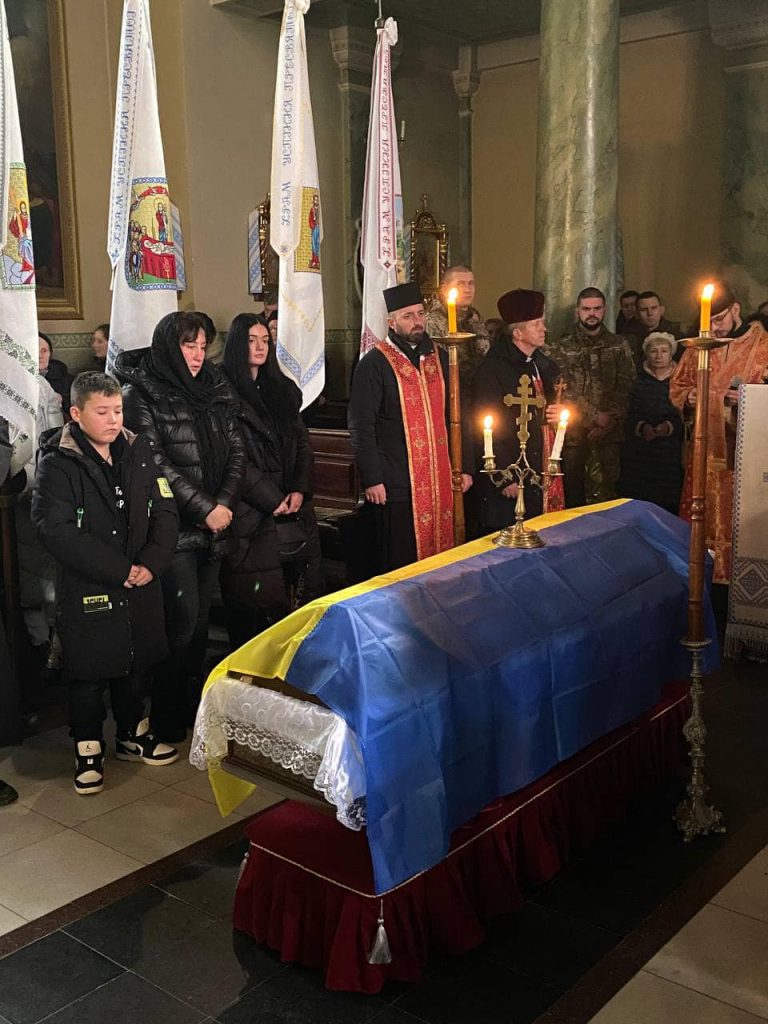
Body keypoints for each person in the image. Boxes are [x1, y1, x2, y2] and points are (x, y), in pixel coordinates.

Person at [32, 372, 180, 794]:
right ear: (76, 414)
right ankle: (87, 748)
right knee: (89, 671)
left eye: (117, 410)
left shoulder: (138, 451)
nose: (114, 420)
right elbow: (54, 528)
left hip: (141, 576)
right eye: (102, 412)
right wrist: (119, 570)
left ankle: (133, 734)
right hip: (91, 581)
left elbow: (165, 509)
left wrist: (152, 562)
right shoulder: (59, 462)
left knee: (137, 660)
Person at [115, 311, 246, 740]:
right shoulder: (140, 393)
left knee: (200, 622)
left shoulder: (214, 385)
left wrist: (222, 504)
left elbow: (236, 448)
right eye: (189, 345)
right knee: (180, 622)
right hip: (171, 529)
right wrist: (204, 508)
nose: (197, 355)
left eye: (202, 346)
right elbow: (154, 462)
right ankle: (164, 714)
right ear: (170, 347)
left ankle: (192, 707)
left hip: (214, 524)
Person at [348, 281, 471, 573]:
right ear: (391, 322)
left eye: (420, 313)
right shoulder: (374, 364)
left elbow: (458, 416)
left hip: (441, 476)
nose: (417, 321)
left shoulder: (441, 358)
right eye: (407, 316)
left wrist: (464, 467)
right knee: (402, 557)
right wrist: (373, 479)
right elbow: (361, 425)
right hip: (397, 479)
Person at [221, 314, 321, 647]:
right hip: (250, 510)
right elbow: (232, 456)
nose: (260, 347)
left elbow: (302, 443)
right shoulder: (222, 391)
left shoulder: (282, 389)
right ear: (237, 343)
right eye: (252, 340)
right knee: (256, 604)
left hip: (292, 505)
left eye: (265, 340)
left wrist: (299, 489)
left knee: (300, 596)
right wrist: (271, 498)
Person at [670, 280, 768, 584]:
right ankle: (699, 582)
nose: (714, 327)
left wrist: (749, 398)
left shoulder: (762, 346)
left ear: (735, 309)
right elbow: (678, 385)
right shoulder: (701, 346)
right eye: (709, 321)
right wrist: (689, 397)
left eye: (720, 319)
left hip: (743, 459)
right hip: (703, 455)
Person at [473, 288, 565, 528]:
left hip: (541, 466)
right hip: (510, 472)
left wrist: (557, 415)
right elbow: (486, 425)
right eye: (536, 324)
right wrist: (504, 476)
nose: (544, 329)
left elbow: (550, 406)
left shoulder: (543, 364)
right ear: (518, 333)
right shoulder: (492, 370)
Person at [546, 287, 636, 507]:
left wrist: (609, 421)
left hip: (610, 435)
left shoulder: (618, 345)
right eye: (586, 309)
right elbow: (561, 391)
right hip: (574, 434)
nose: (592, 313)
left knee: (609, 494)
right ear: (578, 311)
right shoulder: (561, 347)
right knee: (574, 493)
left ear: (604, 310)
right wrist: (593, 417)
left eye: (597, 308)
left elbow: (627, 386)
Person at [617, 332, 683, 515]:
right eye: (654, 351)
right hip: (641, 453)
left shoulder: (680, 380)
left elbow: (687, 414)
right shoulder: (636, 380)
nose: (659, 356)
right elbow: (627, 412)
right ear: (647, 353)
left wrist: (669, 427)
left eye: (664, 351)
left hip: (670, 452)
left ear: (671, 353)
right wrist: (641, 427)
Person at [425, 265, 490, 394]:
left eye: (471, 283)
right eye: (460, 284)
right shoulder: (433, 321)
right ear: (444, 289)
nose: (467, 289)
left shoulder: (476, 318)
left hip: (479, 389)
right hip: (450, 389)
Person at [623, 291, 682, 370]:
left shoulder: (676, 335)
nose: (650, 313)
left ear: (661, 310)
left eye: (654, 308)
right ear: (637, 313)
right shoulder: (627, 338)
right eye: (644, 310)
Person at [38, 332, 72, 411]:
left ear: (50, 354)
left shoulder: (65, 378)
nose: (39, 355)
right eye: (35, 350)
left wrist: (61, 400)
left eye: (44, 351)